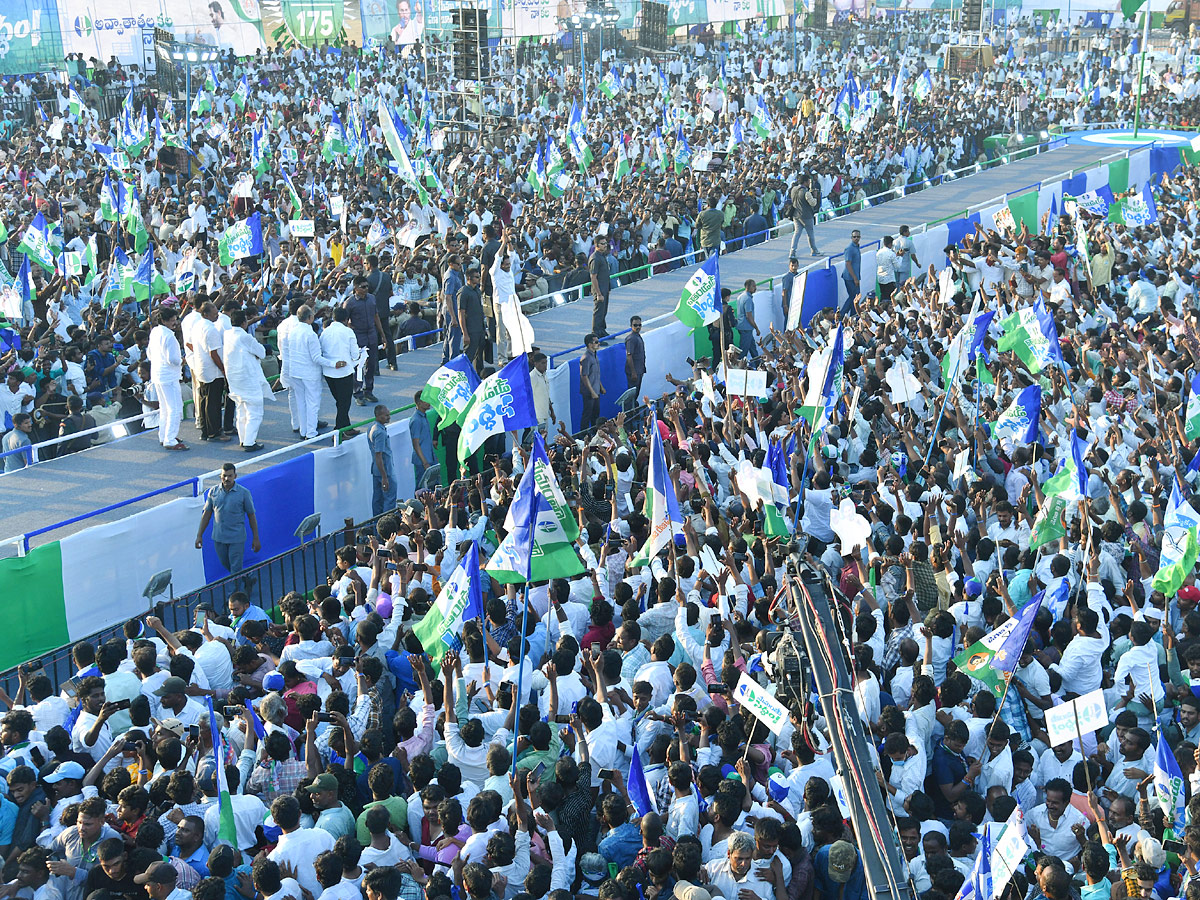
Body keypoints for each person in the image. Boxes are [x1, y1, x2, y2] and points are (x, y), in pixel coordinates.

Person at [285, 306, 343, 440]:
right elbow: (316, 357)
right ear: (310, 318)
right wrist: (334, 364)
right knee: (312, 402)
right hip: (309, 373)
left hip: (295, 371)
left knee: (301, 401)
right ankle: (311, 432)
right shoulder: (310, 334)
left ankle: (304, 431)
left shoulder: (293, 332)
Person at [196, 462, 261, 577]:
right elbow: (206, 514)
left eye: (230, 475)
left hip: (236, 538)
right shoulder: (213, 492)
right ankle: (246, 580)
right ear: (220, 476)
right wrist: (199, 535)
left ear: (235, 476)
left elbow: (251, 515)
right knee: (228, 566)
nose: (227, 478)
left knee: (235, 569)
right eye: (224, 475)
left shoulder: (244, 493)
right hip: (219, 538)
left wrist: (256, 538)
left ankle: (233, 594)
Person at [223, 308, 272, 453]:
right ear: (244, 323)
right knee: (254, 411)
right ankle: (249, 442)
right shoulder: (245, 337)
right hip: (248, 378)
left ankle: (243, 439)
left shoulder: (227, 334)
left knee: (241, 409)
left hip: (234, 378)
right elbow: (262, 353)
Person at [319, 307, 366, 434]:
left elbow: (321, 351)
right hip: (344, 372)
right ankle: (339, 430)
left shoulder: (325, 332)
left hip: (328, 373)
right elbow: (355, 354)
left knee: (340, 402)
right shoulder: (348, 332)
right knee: (344, 403)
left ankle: (346, 426)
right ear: (346, 319)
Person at [148, 306, 186, 451]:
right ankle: (170, 439)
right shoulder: (169, 336)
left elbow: (150, 354)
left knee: (165, 408)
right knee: (175, 408)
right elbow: (174, 360)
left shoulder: (155, 332)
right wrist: (183, 360)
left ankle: (164, 435)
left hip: (157, 375)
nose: (174, 323)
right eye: (171, 320)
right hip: (169, 377)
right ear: (163, 320)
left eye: (175, 320)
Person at [343, 276, 386, 405]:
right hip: (358, 335)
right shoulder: (349, 302)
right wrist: (350, 328)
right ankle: (358, 393)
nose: (366, 289)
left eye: (367, 286)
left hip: (371, 334)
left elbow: (376, 316)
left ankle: (369, 391)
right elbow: (344, 321)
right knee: (359, 365)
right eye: (363, 287)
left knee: (372, 363)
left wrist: (382, 334)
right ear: (355, 288)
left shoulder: (372, 299)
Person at [365, 254, 397, 372]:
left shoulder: (368, 279)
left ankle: (375, 368)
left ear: (369, 264)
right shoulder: (386, 276)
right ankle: (393, 363)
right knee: (387, 336)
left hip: (372, 313)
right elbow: (390, 293)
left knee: (373, 340)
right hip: (385, 311)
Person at [368, 405, 396, 516]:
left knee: (377, 501)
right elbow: (378, 455)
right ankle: (386, 528)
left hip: (377, 470)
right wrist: (385, 477)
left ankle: (377, 528)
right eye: (386, 415)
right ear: (378, 416)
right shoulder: (380, 433)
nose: (389, 417)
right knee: (389, 501)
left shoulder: (372, 428)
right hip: (385, 471)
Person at [459, 266, 487, 373]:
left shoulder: (477, 291)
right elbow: (461, 313)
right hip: (471, 330)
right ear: (469, 278)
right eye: (476, 277)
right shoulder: (464, 292)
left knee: (479, 356)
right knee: (468, 356)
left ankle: (478, 375)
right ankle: (463, 375)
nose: (479, 279)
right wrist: (465, 333)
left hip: (480, 328)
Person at [788, 178, 820, 257]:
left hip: (796, 214)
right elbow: (813, 203)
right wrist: (815, 196)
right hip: (806, 216)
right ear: (805, 182)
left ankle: (792, 252)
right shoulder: (806, 193)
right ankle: (814, 250)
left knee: (797, 233)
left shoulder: (793, 189)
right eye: (809, 182)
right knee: (810, 233)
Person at [408, 394, 434, 488]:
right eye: (426, 400)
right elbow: (416, 444)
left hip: (430, 459)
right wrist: (425, 462)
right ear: (419, 403)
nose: (429, 402)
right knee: (421, 488)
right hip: (423, 462)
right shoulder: (416, 420)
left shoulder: (423, 416)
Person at [588, 235, 611, 339]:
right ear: (596, 245)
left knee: (604, 311)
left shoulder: (602, 256)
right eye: (602, 244)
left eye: (606, 243)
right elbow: (593, 277)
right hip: (599, 290)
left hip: (605, 288)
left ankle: (602, 330)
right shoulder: (595, 258)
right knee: (598, 312)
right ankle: (596, 334)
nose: (605, 245)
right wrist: (598, 293)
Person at [580, 333, 604, 431]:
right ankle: (583, 437)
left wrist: (601, 387)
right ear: (590, 344)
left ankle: (595, 435)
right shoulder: (586, 358)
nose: (598, 344)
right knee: (587, 415)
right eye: (596, 342)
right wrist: (592, 392)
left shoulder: (594, 355)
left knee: (595, 415)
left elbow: (595, 375)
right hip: (590, 393)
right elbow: (584, 376)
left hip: (596, 390)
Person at [735, 279, 760, 360]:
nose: (755, 288)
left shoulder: (741, 296)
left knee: (753, 348)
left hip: (743, 327)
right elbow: (748, 316)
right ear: (748, 287)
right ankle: (739, 367)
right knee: (743, 350)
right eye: (753, 286)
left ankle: (758, 363)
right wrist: (756, 328)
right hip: (746, 328)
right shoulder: (748, 299)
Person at [624, 315, 645, 410]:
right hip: (634, 372)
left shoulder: (637, 336)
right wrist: (633, 372)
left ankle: (633, 410)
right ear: (631, 326)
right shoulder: (631, 338)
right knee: (632, 395)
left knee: (636, 394)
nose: (638, 327)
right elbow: (629, 355)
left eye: (639, 325)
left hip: (639, 370)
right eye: (635, 325)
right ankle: (628, 415)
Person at [876, 234, 901, 303]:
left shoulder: (878, 252)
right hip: (889, 279)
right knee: (890, 297)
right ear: (890, 244)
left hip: (880, 278)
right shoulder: (891, 253)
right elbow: (898, 266)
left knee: (883, 295)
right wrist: (900, 257)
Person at [842, 229, 862, 307]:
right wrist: (855, 278)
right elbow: (848, 264)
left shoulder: (856, 247)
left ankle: (852, 314)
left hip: (854, 276)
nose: (856, 238)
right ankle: (842, 314)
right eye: (854, 237)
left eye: (858, 236)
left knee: (855, 297)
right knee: (854, 298)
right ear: (851, 237)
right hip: (850, 278)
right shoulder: (849, 248)